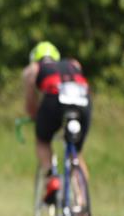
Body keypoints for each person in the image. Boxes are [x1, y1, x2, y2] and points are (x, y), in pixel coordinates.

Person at [22, 41, 91, 204]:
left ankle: (51, 178)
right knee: (77, 152)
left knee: (42, 141)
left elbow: (31, 105)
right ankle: (82, 201)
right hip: (84, 101)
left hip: (55, 97)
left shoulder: (33, 68)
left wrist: (35, 117)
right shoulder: (73, 63)